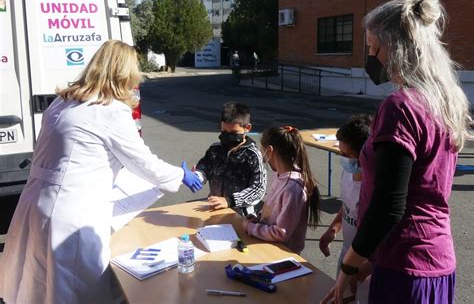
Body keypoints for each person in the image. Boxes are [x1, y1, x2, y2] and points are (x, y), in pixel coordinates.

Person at [0, 40, 203, 304]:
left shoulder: (61, 103)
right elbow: (143, 163)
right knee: (77, 291)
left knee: (41, 284)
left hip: (37, 203)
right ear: (122, 73)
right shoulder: (110, 111)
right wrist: (180, 175)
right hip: (72, 214)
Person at [321, 0, 471, 304]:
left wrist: (350, 263)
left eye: (373, 48)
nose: (370, 58)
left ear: (396, 47)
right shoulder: (446, 101)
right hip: (436, 260)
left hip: (405, 266)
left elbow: (390, 204)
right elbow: (420, 187)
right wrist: (370, 258)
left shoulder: (400, 107)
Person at [242, 126, 321, 254]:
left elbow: (281, 233)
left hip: (282, 254)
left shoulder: (293, 188)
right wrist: (258, 219)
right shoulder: (279, 175)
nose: (261, 154)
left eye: (262, 150)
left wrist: (250, 227)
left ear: (270, 150)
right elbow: (272, 211)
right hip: (267, 246)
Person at [319, 115, 372, 303]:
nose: (342, 159)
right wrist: (334, 228)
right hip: (347, 256)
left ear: (364, 155)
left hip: (365, 264)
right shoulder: (349, 172)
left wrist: (358, 272)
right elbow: (347, 206)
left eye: (346, 155)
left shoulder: (373, 188)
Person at [194, 102, 267, 216]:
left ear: (247, 128)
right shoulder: (215, 149)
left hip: (241, 215)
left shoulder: (252, 155)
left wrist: (230, 201)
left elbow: (258, 189)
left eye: (233, 132)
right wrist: (197, 176)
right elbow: (204, 167)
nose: (228, 136)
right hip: (214, 208)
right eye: (224, 131)